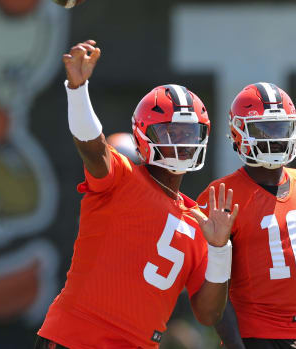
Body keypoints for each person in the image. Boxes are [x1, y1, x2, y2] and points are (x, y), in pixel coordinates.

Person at [35, 39, 239, 349]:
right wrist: (77, 91)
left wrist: (220, 248)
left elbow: (209, 314)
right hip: (75, 339)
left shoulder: (202, 223)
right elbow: (92, 147)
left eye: (189, 133)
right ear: (144, 134)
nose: (182, 142)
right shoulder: (123, 179)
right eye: (171, 132)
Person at [197, 83, 296, 349]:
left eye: (281, 128)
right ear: (237, 133)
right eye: (263, 129)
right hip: (258, 337)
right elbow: (216, 288)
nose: (275, 138)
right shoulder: (223, 195)